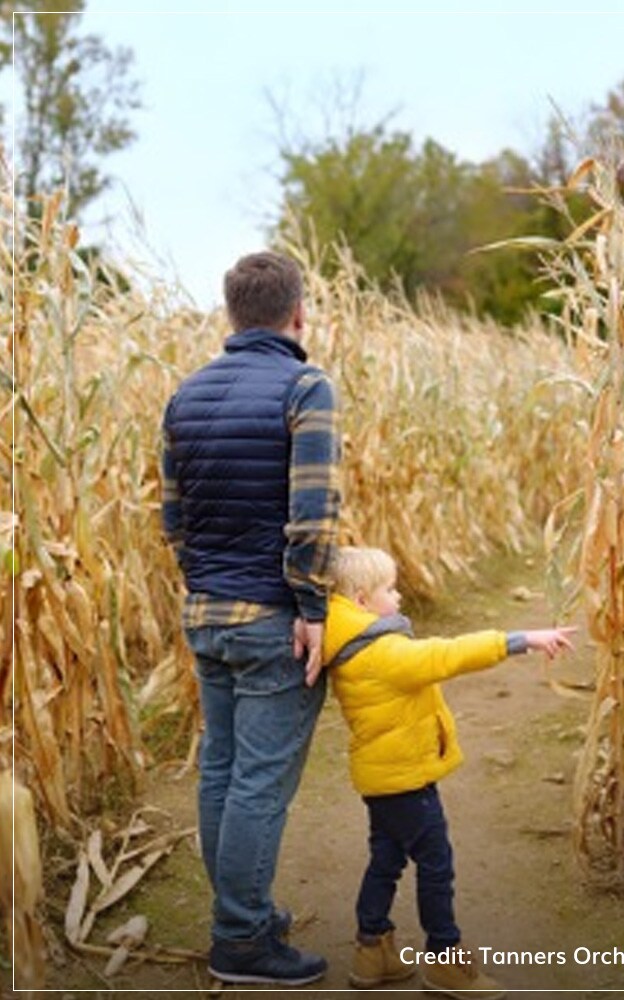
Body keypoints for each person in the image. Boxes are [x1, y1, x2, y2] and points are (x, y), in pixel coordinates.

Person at [161, 251, 341, 986]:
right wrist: (312, 607)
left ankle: (245, 914)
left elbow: (173, 519)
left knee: (223, 774)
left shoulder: (187, 393)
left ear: (231, 314)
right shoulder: (307, 385)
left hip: (206, 612)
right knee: (259, 783)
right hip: (272, 617)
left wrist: (204, 588)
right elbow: (312, 514)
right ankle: (241, 940)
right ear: (297, 313)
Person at [323, 546, 576, 1000]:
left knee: (386, 860)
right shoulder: (382, 653)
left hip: (383, 780)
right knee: (436, 865)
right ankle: (445, 961)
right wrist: (521, 639)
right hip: (406, 782)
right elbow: (448, 654)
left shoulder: (350, 645)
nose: (398, 597)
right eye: (390, 589)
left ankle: (372, 951)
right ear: (361, 601)